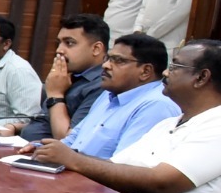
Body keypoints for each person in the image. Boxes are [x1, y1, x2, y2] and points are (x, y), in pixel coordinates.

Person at [34, 40, 221, 193]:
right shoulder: (168, 124)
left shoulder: (217, 125)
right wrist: (55, 154)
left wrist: (73, 159)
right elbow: (114, 168)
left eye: (175, 66)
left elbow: (161, 183)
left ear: (201, 77)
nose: (165, 73)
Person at [20, 34, 179, 159]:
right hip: (75, 176)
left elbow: (124, 166)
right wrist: (45, 148)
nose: (106, 65)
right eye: (108, 58)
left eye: (118, 61)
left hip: (100, 187)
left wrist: (69, 159)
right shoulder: (108, 94)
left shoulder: (156, 106)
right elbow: (74, 140)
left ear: (145, 71)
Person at [5, 14, 107, 141]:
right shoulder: (66, 76)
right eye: (59, 43)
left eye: (69, 43)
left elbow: (67, 140)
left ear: (96, 49)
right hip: (24, 145)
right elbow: (47, 123)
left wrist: (55, 95)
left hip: (48, 152)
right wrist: (16, 127)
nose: (59, 50)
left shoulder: (101, 86)